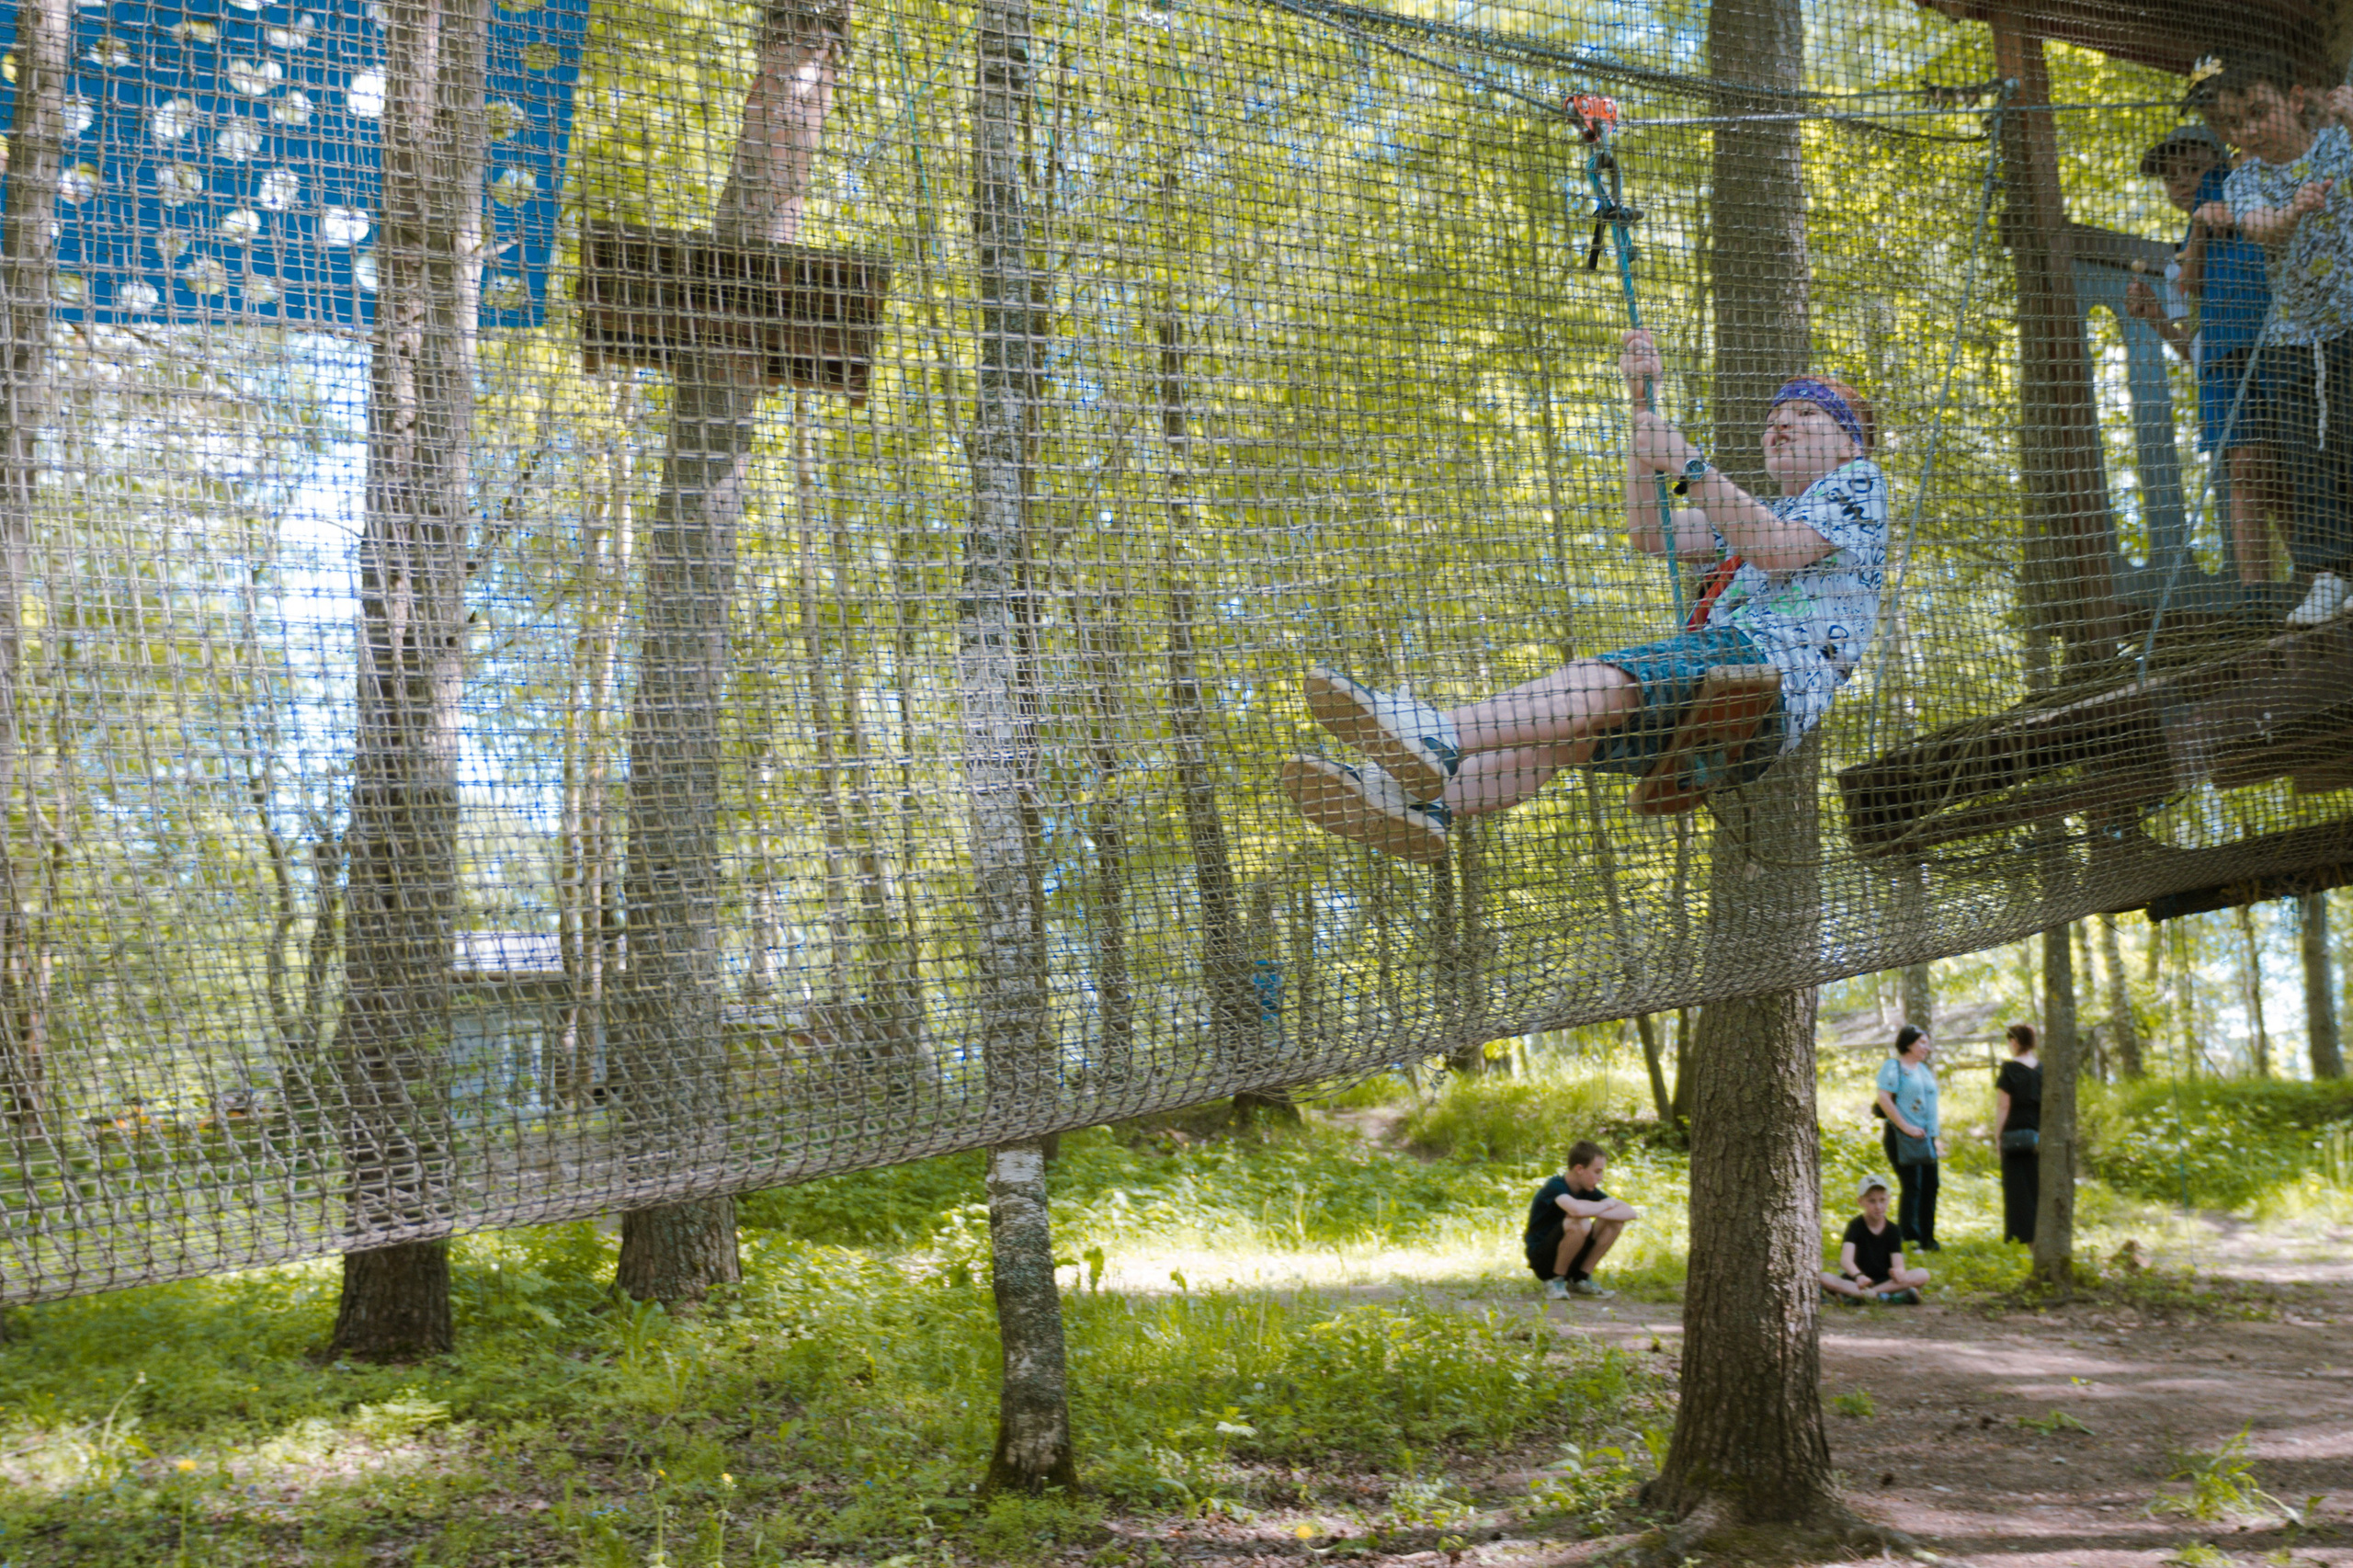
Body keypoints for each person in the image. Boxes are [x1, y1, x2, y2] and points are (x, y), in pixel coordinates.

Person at [1281, 329, 1889, 862]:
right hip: (1737, 718)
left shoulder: (1858, 485)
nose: (1779, 424)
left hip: (1763, 672)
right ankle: (1417, 802)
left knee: (1605, 678)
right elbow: (1650, 532)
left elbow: (1777, 549)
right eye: (1773, 420)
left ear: (1849, 444)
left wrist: (1689, 464)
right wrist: (1640, 413)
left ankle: (1436, 732)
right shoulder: (1766, 511)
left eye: (1807, 416)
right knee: (1557, 738)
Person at [2188, 51, 2353, 625]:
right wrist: (2290, 215)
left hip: (2350, 324)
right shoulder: (2246, 178)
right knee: (2308, 459)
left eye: (2259, 112)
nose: (2248, 130)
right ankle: (2327, 574)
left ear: (2297, 98)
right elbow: (2257, 224)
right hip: (2292, 339)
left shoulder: (2337, 146)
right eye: (2235, 123)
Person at [2126, 123, 2287, 591]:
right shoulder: (2181, 257)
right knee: (2247, 471)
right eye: (2170, 176)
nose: (2180, 181)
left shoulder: (2257, 211)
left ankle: (2326, 572)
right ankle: (2257, 597)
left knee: (2294, 468)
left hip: (2276, 352)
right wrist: (2156, 317)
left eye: (2193, 168)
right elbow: (2195, 351)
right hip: (2223, 368)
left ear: (2223, 165)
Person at [1522, 1140, 1639, 1301]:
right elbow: (1576, 1210)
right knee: (1580, 1222)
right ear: (1579, 1169)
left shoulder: (1587, 1191)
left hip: (1573, 1254)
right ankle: (1556, 1281)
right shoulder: (1555, 1186)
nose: (1601, 1178)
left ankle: (1581, 1279)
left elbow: (1630, 1212)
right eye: (1597, 1172)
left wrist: (1598, 1208)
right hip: (1544, 1260)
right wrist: (1603, 1207)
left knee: (1615, 1222)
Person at [1875, 1024, 1941, 1252]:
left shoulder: (1923, 1069)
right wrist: (1905, 1127)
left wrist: (1935, 1137)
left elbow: (1930, 1106)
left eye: (1928, 1042)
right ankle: (1910, 1238)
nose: (1927, 1047)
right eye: (1922, 1042)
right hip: (1901, 1136)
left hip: (1926, 1138)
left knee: (1931, 1185)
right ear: (1909, 1043)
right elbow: (1884, 1099)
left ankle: (1927, 1239)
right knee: (1913, 1186)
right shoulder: (1893, 1067)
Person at [1821, 1175, 1929, 1306]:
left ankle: (1865, 1296)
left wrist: (1898, 1272)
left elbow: (1898, 1265)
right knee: (1824, 1277)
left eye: (1882, 1200)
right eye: (1872, 1201)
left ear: (1888, 1199)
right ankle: (1887, 1297)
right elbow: (1846, 1260)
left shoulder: (1893, 1229)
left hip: (1885, 1282)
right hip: (1857, 1282)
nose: (1878, 1206)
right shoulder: (1855, 1226)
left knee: (1922, 1274)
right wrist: (1858, 1276)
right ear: (1860, 1201)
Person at [1993, 1022, 2043, 1244]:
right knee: (2036, 1186)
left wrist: (1997, 1135)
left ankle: (2022, 1236)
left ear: (2014, 1041)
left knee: (2017, 1190)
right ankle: (2040, 1234)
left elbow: (2003, 1106)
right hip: (2038, 1133)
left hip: (2014, 1134)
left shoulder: (2010, 1069)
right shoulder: (2043, 1068)